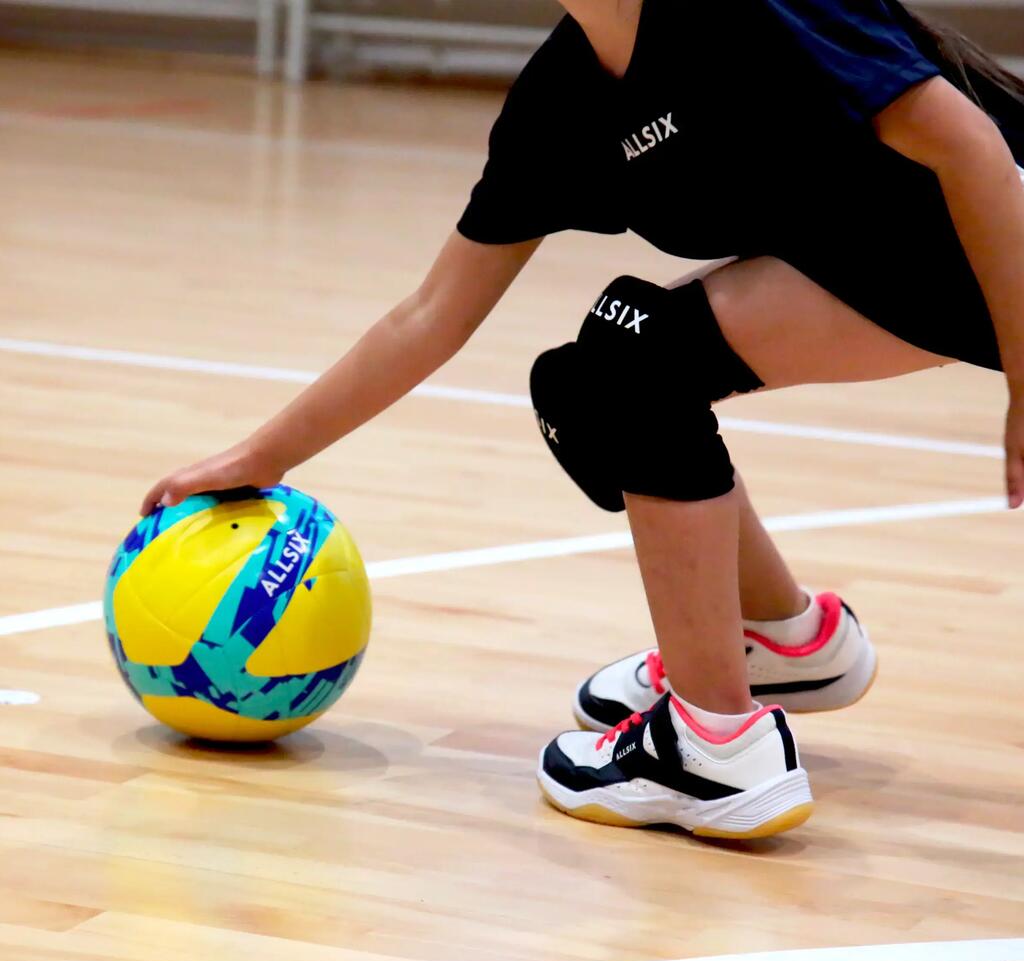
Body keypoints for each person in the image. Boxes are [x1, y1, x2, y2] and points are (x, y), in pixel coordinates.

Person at [143, 0, 1024, 840]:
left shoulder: (744, 7)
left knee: (634, 368)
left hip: (987, 243)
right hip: (890, 262)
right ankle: (784, 642)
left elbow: (975, 150)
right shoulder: (566, 97)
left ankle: (715, 750)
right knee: (601, 377)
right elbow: (433, 314)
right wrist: (262, 456)